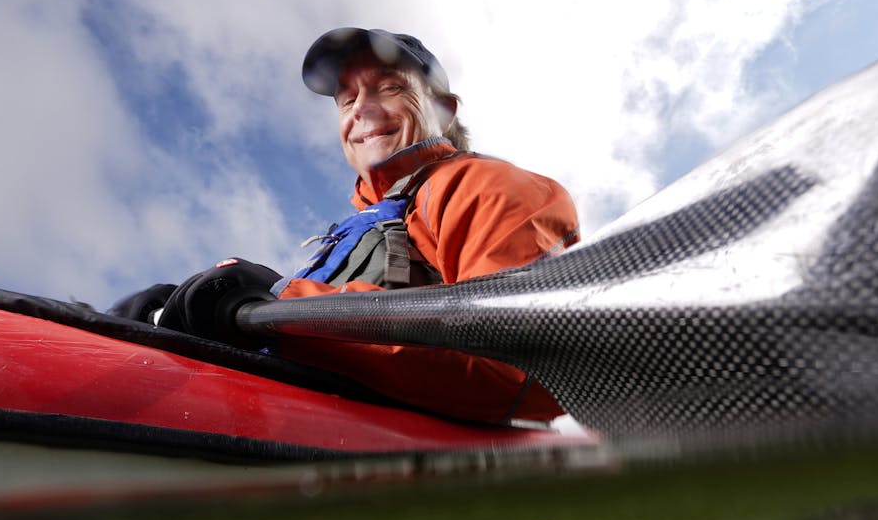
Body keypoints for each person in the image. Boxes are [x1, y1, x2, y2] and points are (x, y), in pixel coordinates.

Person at [118, 28, 579, 424]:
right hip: (299, 419)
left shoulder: (486, 187)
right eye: (347, 99)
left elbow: (524, 367)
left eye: (388, 88)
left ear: (442, 109)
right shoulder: (368, 220)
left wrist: (276, 302)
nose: (361, 109)